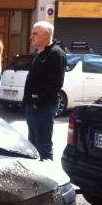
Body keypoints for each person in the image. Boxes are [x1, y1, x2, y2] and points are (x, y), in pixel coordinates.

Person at [23, 21, 66, 161]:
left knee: (43, 145)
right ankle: (35, 177)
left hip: (43, 107)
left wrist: (38, 103)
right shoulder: (39, 52)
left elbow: (56, 83)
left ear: (47, 34)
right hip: (32, 106)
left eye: (35, 34)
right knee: (32, 144)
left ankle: (49, 178)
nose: (31, 37)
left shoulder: (56, 54)